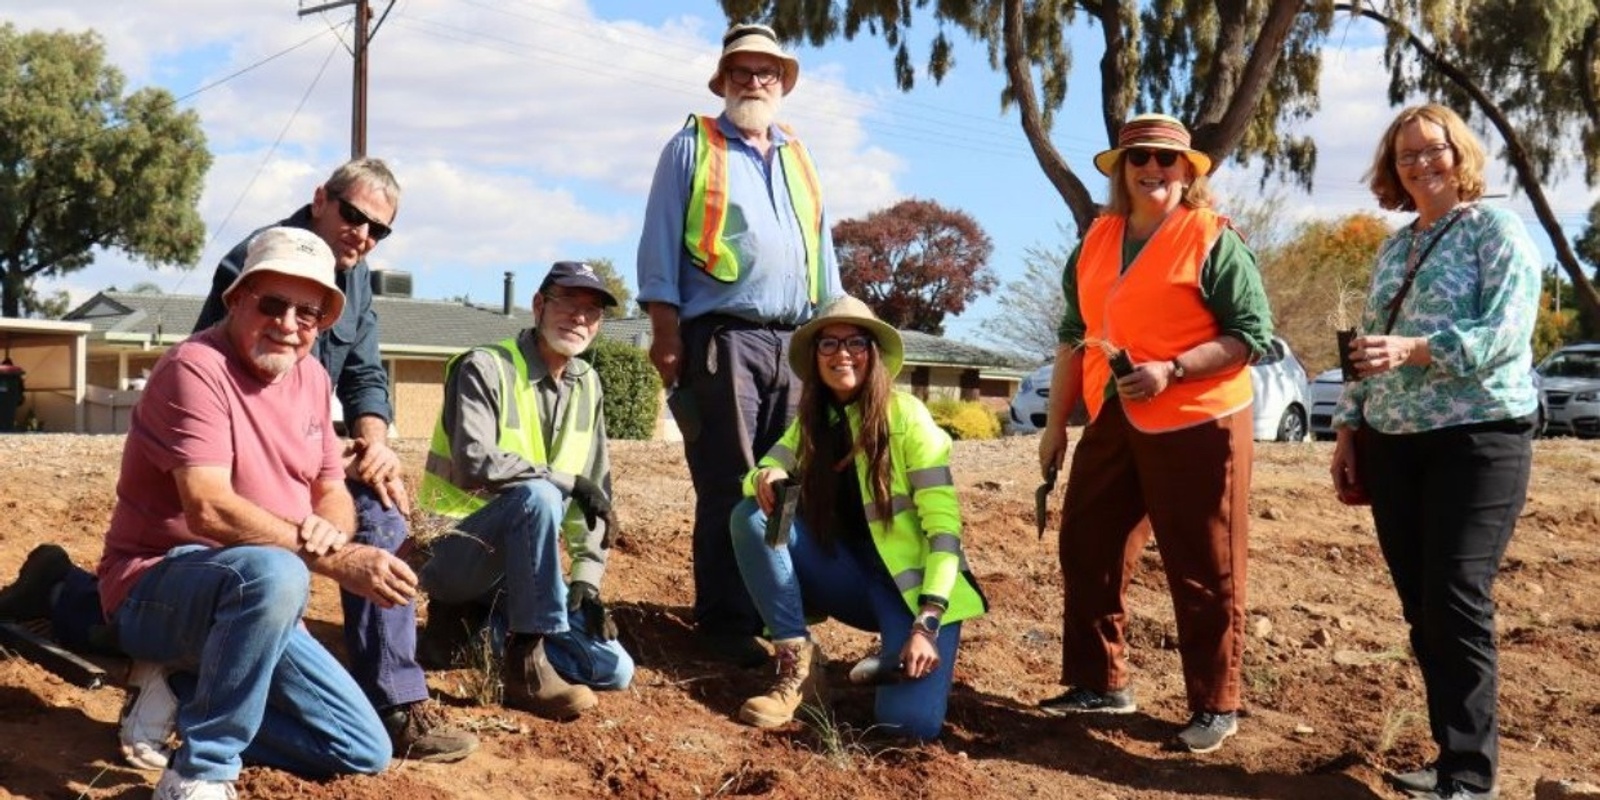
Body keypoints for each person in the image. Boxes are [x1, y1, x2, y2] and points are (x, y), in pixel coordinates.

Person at [20, 157, 475, 767]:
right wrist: (329, 552)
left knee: (378, 525)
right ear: (322, 200)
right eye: (355, 216)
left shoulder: (331, 331)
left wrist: (370, 445)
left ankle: (197, 684)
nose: (364, 235)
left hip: (292, 497)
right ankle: (219, 756)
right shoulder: (229, 308)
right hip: (212, 540)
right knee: (268, 575)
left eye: (379, 230)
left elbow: (363, 375)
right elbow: (211, 493)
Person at [94, 227, 401, 799]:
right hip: (158, 588)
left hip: (258, 604)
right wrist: (334, 559)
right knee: (277, 570)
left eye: (308, 314)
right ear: (236, 299)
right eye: (272, 304)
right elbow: (208, 508)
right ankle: (200, 772)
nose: (289, 324)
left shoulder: (311, 377)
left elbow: (331, 485)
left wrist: (332, 528)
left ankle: (182, 687)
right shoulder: (195, 368)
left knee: (363, 750)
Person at [1035, 113, 1273, 755]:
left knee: (1203, 565)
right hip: (1114, 413)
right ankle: (1098, 682)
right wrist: (1055, 426)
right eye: (1138, 158)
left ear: (1189, 170)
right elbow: (1069, 334)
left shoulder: (1213, 237)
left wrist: (1173, 369)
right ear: (1122, 170)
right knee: (1089, 543)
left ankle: (1215, 704)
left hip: (1199, 418)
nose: (1152, 170)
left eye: (1166, 160)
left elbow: (1250, 334)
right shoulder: (1095, 240)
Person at [1331, 104, 1540, 800]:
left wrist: (1418, 350)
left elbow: (1506, 332)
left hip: (1478, 438)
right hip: (1394, 441)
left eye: (1432, 149)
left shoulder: (1496, 229)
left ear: (1460, 153)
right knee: (1422, 605)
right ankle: (1450, 756)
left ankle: (1472, 778)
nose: (1420, 164)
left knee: (1456, 596)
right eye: (1404, 156)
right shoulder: (1395, 246)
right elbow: (1366, 345)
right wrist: (1348, 427)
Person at [636, 23, 843, 667]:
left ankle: (772, 607)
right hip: (722, 340)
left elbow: (823, 256)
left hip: (796, 344)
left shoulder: (799, 157)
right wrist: (666, 332)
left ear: (782, 84)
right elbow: (659, 240)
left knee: (787, 483)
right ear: (722, 81)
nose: (755, 82)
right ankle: (726, 622)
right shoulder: (691, 145)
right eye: (743, 72)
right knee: (730, 483)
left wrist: (836, 330)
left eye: (767, 73)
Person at [728, 295, 986, 740]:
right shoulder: (811, 420)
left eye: (855, 342)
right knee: (753, 516)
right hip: (847, 577)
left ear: (874, 353)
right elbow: (758, 474)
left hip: (912, 594)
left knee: (907, 726)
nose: (841, 354)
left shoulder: (909, 419)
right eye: (828, 344)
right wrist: (765, 474)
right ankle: (798, 665)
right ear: (815, 357)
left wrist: (927, 622)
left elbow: (945, 533)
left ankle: (897, 652)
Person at [413, 261, 634, 720]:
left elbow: (595, 494)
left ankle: (481, 637)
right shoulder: (485, 366)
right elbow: (475, 459)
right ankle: (525, 668)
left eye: (592, 311)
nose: (579, 318)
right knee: (540, 495)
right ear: (538, 305)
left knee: (615, 669)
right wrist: (566, 482)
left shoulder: (587, 384)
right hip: (454, 553)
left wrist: (587, 585)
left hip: (522, 576)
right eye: (568, 303)